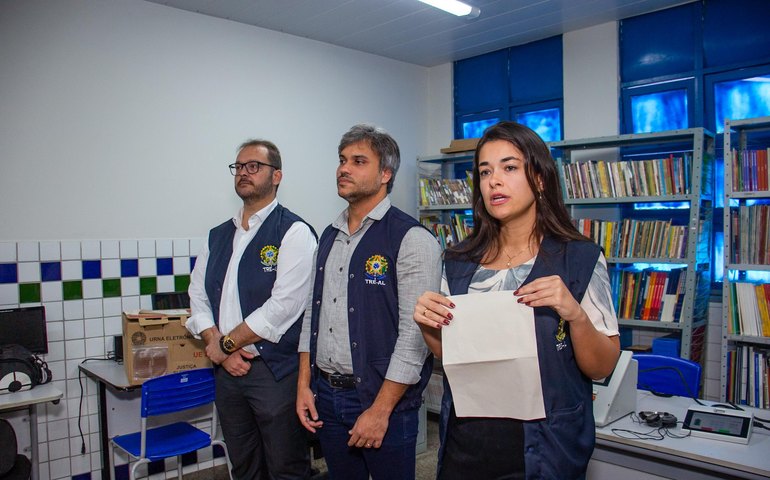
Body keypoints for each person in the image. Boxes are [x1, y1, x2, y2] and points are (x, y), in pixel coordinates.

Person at [413, 121, 621, 480]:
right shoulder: (458, 261)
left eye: (509, 168)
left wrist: (575, 315)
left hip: (546, 448)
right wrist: (427, 324)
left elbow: (601, 367)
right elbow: (451, 354)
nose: (494, 181)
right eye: (485, 172)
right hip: (469, 441)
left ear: (539, 179)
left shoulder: (579, 259)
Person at [295, 124, 442, 480]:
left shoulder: (411, 238)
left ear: (385, 174)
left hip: (383, 399)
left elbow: (415, 337)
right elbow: (312, 315)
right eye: (342, 160)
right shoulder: (329, 235)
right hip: (327, 395)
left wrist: (380, 410)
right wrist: (304, 384)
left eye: (358, 161)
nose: (344, 168)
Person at [186, 139, 317, 480]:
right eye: (239, 166)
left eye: (254, 166)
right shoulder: (217, 236)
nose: (244, 172)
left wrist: (226, 344)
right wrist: (217, 345)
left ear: (277, 176)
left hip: (274, 373)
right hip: (228, 373)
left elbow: (283, 307)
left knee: (286, 467)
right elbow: (197, 295)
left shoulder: (294, 232)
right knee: (244, 466)